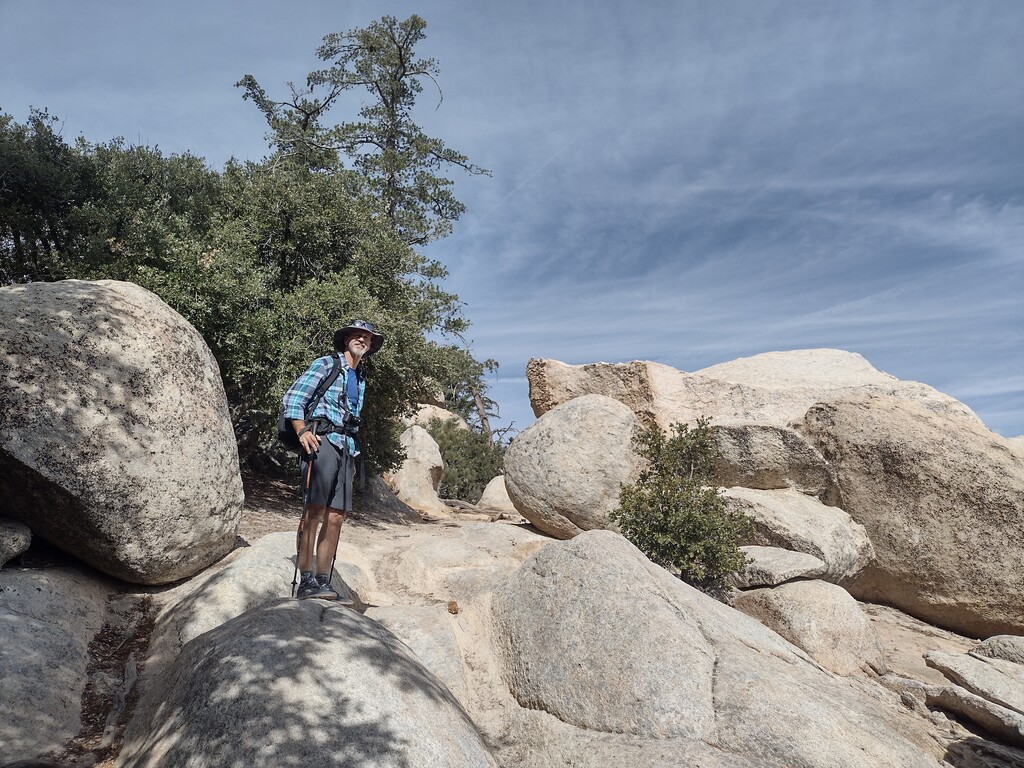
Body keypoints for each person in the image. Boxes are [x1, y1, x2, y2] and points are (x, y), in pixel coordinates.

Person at [281, 320, 385, 600]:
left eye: (367, 338)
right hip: (323, 441)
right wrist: (301, 430)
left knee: (337, 515)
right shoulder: (327, 364)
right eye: (357, 335)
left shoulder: (360, 377)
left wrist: (352, 454)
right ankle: (306, 580)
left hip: (346, 446)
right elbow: (293, 398)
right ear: (346, 339)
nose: (362, 340)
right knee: (314, 510)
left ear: (371, 345)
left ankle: (324, 580)